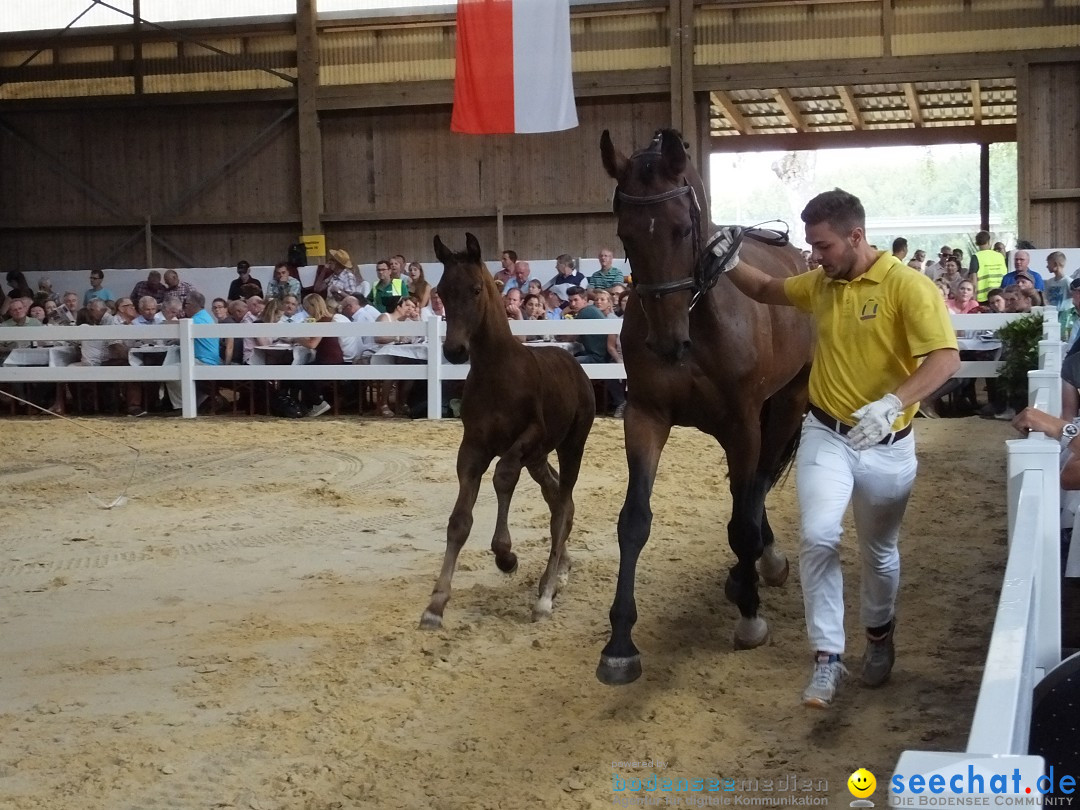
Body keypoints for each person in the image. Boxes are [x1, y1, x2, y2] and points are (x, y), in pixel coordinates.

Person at [723, 188, 960, 709]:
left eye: (822, 246)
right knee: (818, 536)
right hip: (826, 435)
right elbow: (765, 288)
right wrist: (728, 260)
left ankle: (879, 635)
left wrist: (893, 403)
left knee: (879, 552)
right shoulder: (823, 283)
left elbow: (944, 359)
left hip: (888, 443)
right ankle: (827, 658)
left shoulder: (908, 288)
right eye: (811, 247)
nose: (814, 256)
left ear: (856, 236)